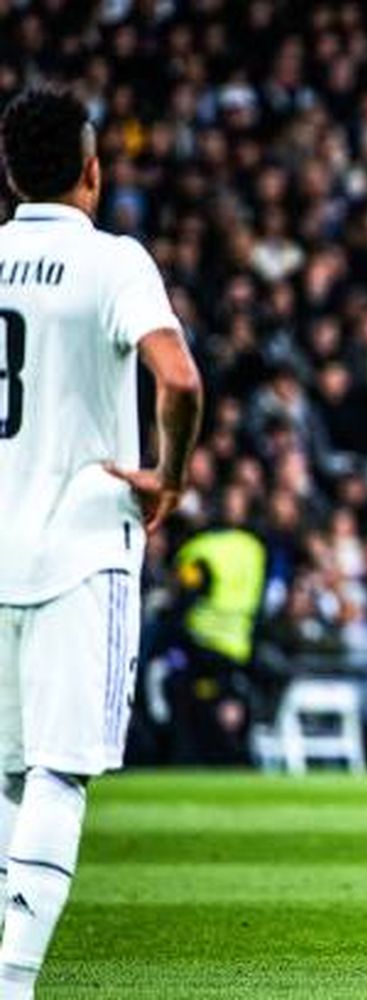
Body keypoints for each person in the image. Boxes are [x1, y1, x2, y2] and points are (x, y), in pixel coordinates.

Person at [0, 87, 204, 1000]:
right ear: (92, 169)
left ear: (11, 173)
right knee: (59, 772)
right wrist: (171, 472)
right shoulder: (114, 260)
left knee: (8, 776)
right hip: (81, 547)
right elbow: (180, 378)